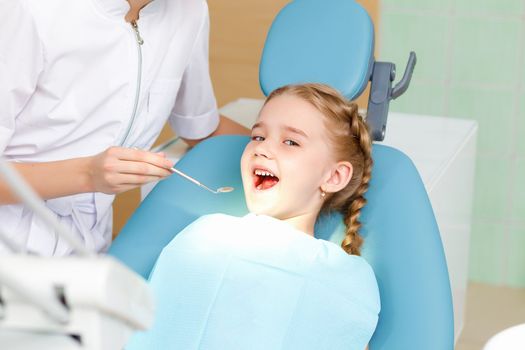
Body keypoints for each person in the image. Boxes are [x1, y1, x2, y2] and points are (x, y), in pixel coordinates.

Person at [127, 83, 379, 349]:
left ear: (334, 176)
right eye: (258, 137)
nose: (261, 148)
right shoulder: (206, 236)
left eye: (291, 142)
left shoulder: (346, 279)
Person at [0, 0, 249, 255]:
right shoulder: (28, 9)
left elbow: (201, 128)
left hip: (89, 250)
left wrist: (281, 147)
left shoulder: (189, 10)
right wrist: (87, 174)